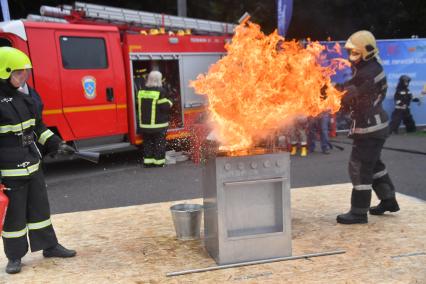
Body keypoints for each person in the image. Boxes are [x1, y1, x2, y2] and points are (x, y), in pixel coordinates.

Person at [0, 47, 77, 274]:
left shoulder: (27, 98)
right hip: (10, 169)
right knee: (14, 217)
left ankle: (49, 246)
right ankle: (14, 257)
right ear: (3, 73)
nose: (23, 77)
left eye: (25, 73)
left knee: (40, 209)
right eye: (18, 73)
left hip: (32, 163)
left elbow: (38, 128)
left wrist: (57, 144)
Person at [336, 31, 399, 225]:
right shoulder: (366, 68)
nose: (351, 57)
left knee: (360, 167)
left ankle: (358, 212)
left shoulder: (369, 72)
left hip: (370, 129)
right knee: (374, 165)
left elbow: (356, 92)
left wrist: (341, 98)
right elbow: (351, 86)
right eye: (351, 52)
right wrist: (334, 89)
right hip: (373, 127)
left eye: (355, 52)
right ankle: (388, 200)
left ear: (367, 51)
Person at [137, 71, 173, 167]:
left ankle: (148, 162)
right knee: (159, 144)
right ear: (159, 79)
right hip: (159, 125)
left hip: (145, 125)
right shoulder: (160, 91)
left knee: (148, 143)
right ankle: (159, 162)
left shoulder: (142, 91)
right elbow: (165, 107)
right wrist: (170, 101)